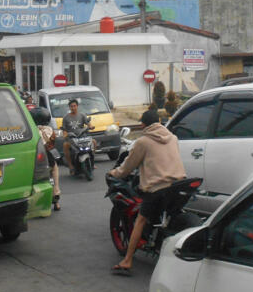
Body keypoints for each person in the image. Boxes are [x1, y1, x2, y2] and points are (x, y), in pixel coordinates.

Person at [108, 109, 186, 275]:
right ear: (158, 121)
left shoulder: (143, 142)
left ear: (143, 124)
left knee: (141, 219)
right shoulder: (173, 138)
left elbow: (127, 167)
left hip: (157, 187)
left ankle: (127, 261)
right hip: (178, 185)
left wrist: (114, 173)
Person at [33, 108, 61, 211]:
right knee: (55, 169)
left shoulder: (31, 130)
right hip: (49, 159)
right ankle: (56, 196)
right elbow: (53, 144)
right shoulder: (50, 130)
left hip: (35, 161)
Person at [61, 98, 94, 175]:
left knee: (94, 142)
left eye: (74, 106)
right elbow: (64, 129)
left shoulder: (82, 115)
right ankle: (70, 166)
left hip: (82, 136)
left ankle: (92, 162)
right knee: (65, 145)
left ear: (77, 106)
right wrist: (65, 134)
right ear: (69, 107)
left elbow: (88, 123)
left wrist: (91, 126)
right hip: (72, 138)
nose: (73, 108)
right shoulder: (65, 117)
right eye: (71, 106)